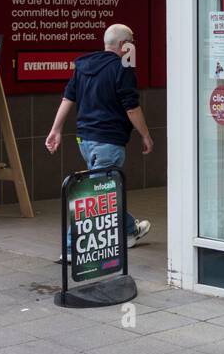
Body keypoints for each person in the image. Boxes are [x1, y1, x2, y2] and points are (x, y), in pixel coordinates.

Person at [46, 23, 153, 248]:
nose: (134, 46)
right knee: (95, 196)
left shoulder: (84, 65)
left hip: (85, 140)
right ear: (124, 45)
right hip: (108, 142)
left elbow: (67, 99)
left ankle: (129, 230)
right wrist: (145, 134)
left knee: (105, 189)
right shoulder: (122, 69)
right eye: (132, 41)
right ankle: (70, 248)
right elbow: (131, 108)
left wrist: (56, 129)